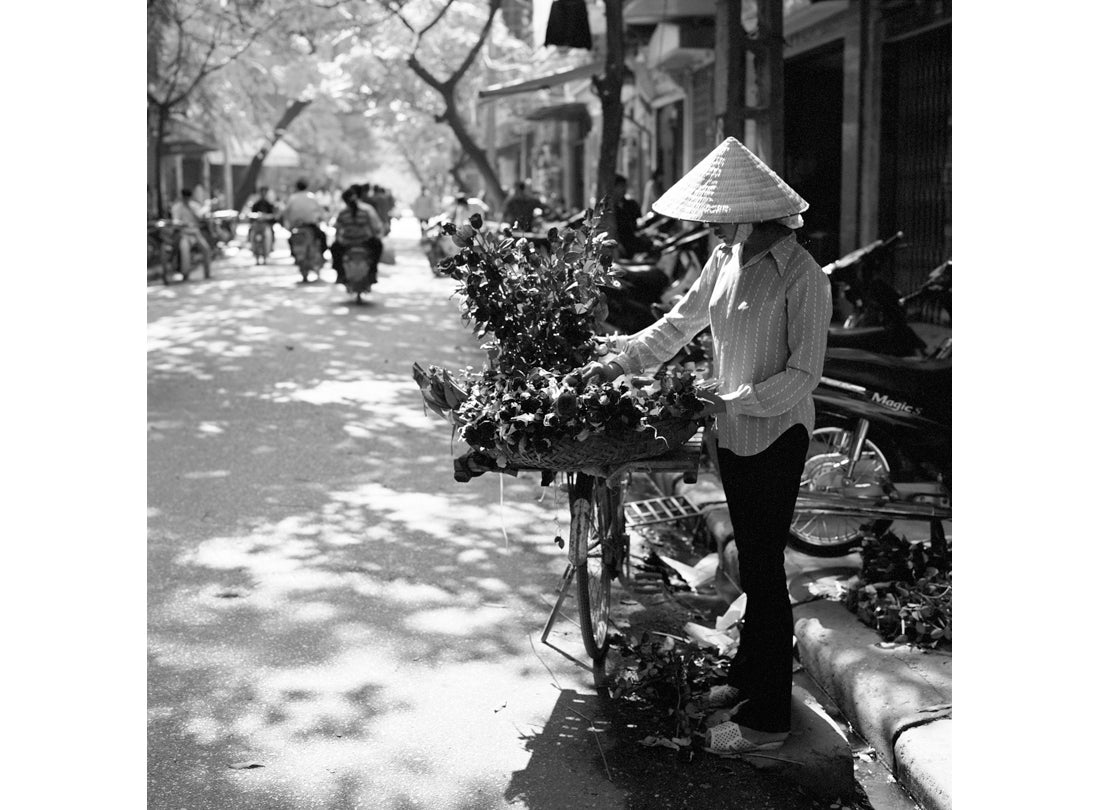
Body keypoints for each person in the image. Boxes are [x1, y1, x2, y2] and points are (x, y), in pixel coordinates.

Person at [579, 137, 831, 756]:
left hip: (776, 435)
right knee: (751, 560)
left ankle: (767, 722)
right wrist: (619, 359)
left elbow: (803, 376)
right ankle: (747, 679)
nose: (710, 225)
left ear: (752, 213)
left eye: (719, 215)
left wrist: (729, 399)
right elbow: (679, 324)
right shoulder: (725, 258)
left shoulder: (804, 276)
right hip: (733, 435)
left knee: (766, 571)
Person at [331, 185, 385, 286]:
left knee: (334, 248)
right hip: (364, 242)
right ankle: (373, 272)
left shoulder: (343, 213)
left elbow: (337, 229)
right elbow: (373, 228)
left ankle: (340, 274)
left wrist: (338, 239)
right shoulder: (365, 211)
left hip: (347, 242)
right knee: (378, 246)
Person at [170, 187, 212, 279]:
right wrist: (181, 223)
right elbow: (175, 220)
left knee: (206, 249)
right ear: (182, 197)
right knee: (184, 251)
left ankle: (207, 273)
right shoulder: (177, 207)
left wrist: (202, 210)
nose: (186, 199)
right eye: (185, 197)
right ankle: (185, 274)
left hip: (196, 233)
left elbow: (201, 217)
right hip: (185, 234)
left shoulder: (194, 206)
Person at [282, 178, 329, 258]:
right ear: (307, 186)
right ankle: (322, 256)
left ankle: (294, 255)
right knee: (322, 236)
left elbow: (286, 213)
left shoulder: (292, 198)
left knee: (290, 239)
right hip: (310, 225)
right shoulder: (312, 197)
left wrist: (288, 225)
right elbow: (321, 212)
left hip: (296, 225)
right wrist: (324, 219)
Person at [609, 173, 652, 259]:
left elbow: (638, 223)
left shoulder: (631, 204)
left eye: (624, 186)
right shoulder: (610, 209)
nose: (623, 189)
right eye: (620, 186)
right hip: (620, 245)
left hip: (633, 242)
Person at [249, 186, 278, 258]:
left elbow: (273, 216)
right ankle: (251, 245)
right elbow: (252, 216)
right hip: (257, 224)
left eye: (265, 192)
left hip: (266, 224)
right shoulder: (256, 204)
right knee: (251, 230)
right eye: (262, 192)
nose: (263, 194)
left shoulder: (269, 205)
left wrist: (269, 217)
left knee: (272, 231)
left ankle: (271, 246)